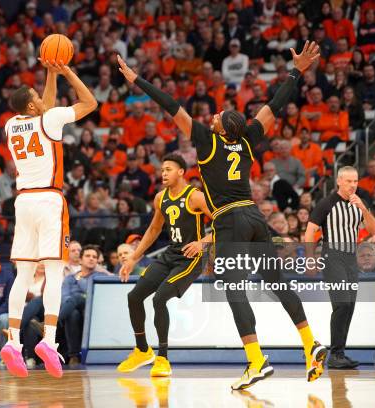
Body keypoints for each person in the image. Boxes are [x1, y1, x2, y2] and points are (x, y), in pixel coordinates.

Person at [117, 41, 327, 389]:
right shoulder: (246, 140)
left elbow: (171, 106)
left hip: (229, 219)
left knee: (233, 288)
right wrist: (297, 71)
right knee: (277, 283)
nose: (211, 116)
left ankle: (256, 360)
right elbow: (275, 104)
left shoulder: (206, 139)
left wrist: (137, 79)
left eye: (216, 117)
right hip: (255, 216)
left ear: (222, 129)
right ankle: (310, 344)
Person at [0, 61, 97, 378]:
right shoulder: (51, 120)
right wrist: (68, 72)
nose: (42, 97)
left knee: (23, 274)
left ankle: (13, 341)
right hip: (49, 199)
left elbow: (47, 105)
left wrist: (50, 73)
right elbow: (89, 103)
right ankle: (50, 340)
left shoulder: (13, 125)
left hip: (23, 201)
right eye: (36, 95)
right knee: (55, 273)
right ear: (32, 104)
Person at [117, 154, 212, 377]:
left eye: (168, 169)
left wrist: (202, 243)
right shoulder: (161, 198)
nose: (163, 174)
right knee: (134, 296)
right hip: (171, 254)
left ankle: (163, 358)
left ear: (181, 172)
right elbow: (153, 230)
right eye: (162, 170)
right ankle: (142, 350)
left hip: (192, 258)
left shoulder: (195, 197)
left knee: (160, 299)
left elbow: (225, 224)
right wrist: (133, 258)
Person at [304, 167, 375, 369]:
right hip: (332, 256)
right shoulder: (326, 203)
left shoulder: (359, 203)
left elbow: (374, 230)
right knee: (342, 304)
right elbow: (310, 231)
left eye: (355, 181)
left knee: (350, 305)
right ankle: (335, 354)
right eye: (349, 181)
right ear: (339, 182)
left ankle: (339, 353)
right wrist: (310, 258)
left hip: (350, 258)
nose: (353, 185)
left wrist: (363, 208)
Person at [59, 245, 109, 367]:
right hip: (73, 309)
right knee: (72, 313)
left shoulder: (101, 276)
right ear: (80, 260)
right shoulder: (70, 278)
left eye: (94, 257)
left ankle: (53, 323)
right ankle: (74, 356)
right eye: (88, 256)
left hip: (93, 308)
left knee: (76, 298)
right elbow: (64, 297)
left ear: (97, 261)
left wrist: (80, 279)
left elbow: (91, 294)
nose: (91, 259)